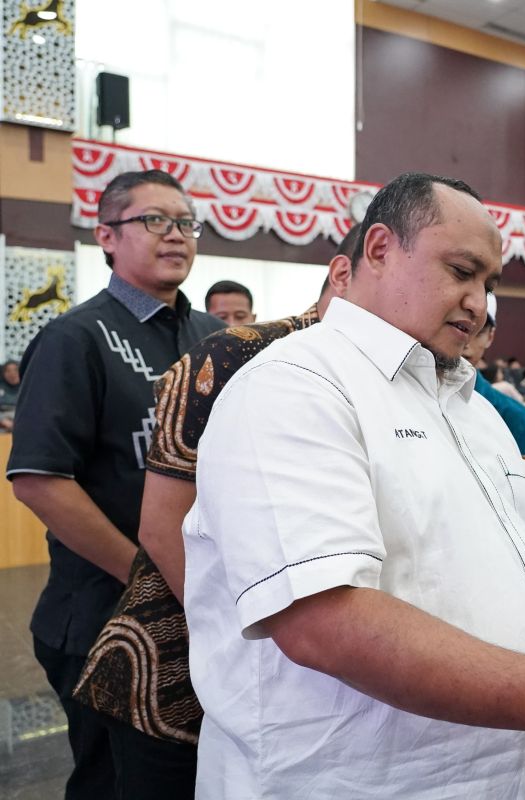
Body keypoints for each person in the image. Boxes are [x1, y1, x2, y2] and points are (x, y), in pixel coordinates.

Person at [182, 173, 525, 799]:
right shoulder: (296, 387)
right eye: (462, 271)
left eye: (489, 284)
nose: (479, 302)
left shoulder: (470, 407)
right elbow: (319, 617)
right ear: (380, 249)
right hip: (359, 782)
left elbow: (514, 556)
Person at [71, 229, 357, 798]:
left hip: (292, 680)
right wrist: (261, 640)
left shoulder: (378, 372)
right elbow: (162, 526)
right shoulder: (237, 353)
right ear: (346, 275)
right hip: (174, 670)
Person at [6, 170, 224, 799]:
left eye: (185, 223)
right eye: (154, 220)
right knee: (117, 785)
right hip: (106, 618)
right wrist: (147, 574)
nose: (176, 235)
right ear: (106, 235)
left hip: (196, 611)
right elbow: (40, 480)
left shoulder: (211, 336)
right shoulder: (76, 338)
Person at [464, 294, 525, 455]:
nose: (465, 340)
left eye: (476, 331)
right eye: (455, 326)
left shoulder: (517, 419)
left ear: (490, 336)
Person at [0, 359, 20, 430]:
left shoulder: (27, 388)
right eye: (8, 371)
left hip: (22, 424)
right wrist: (2, 420)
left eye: (15, 370)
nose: (12, 374)